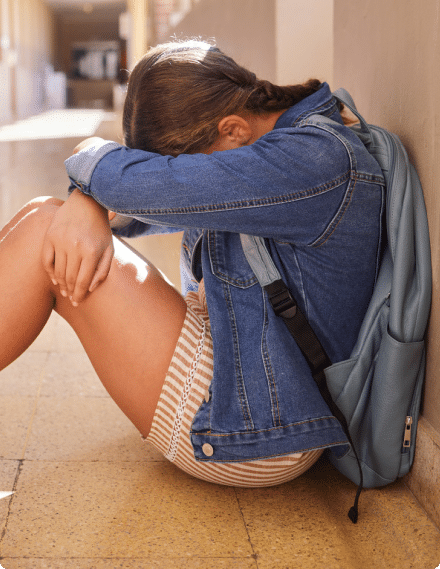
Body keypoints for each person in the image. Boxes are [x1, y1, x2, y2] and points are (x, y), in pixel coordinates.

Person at [0, 40, 384, 487]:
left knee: (43, 227)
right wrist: (87, 201)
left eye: (182, 168)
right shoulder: (277, 142)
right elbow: (137, 209)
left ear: (233, 128)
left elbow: (133, 187)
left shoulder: (312, 160)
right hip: (241, 371)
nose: (187, 182)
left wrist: (88, 191)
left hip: (259, 424)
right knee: (42, 215)